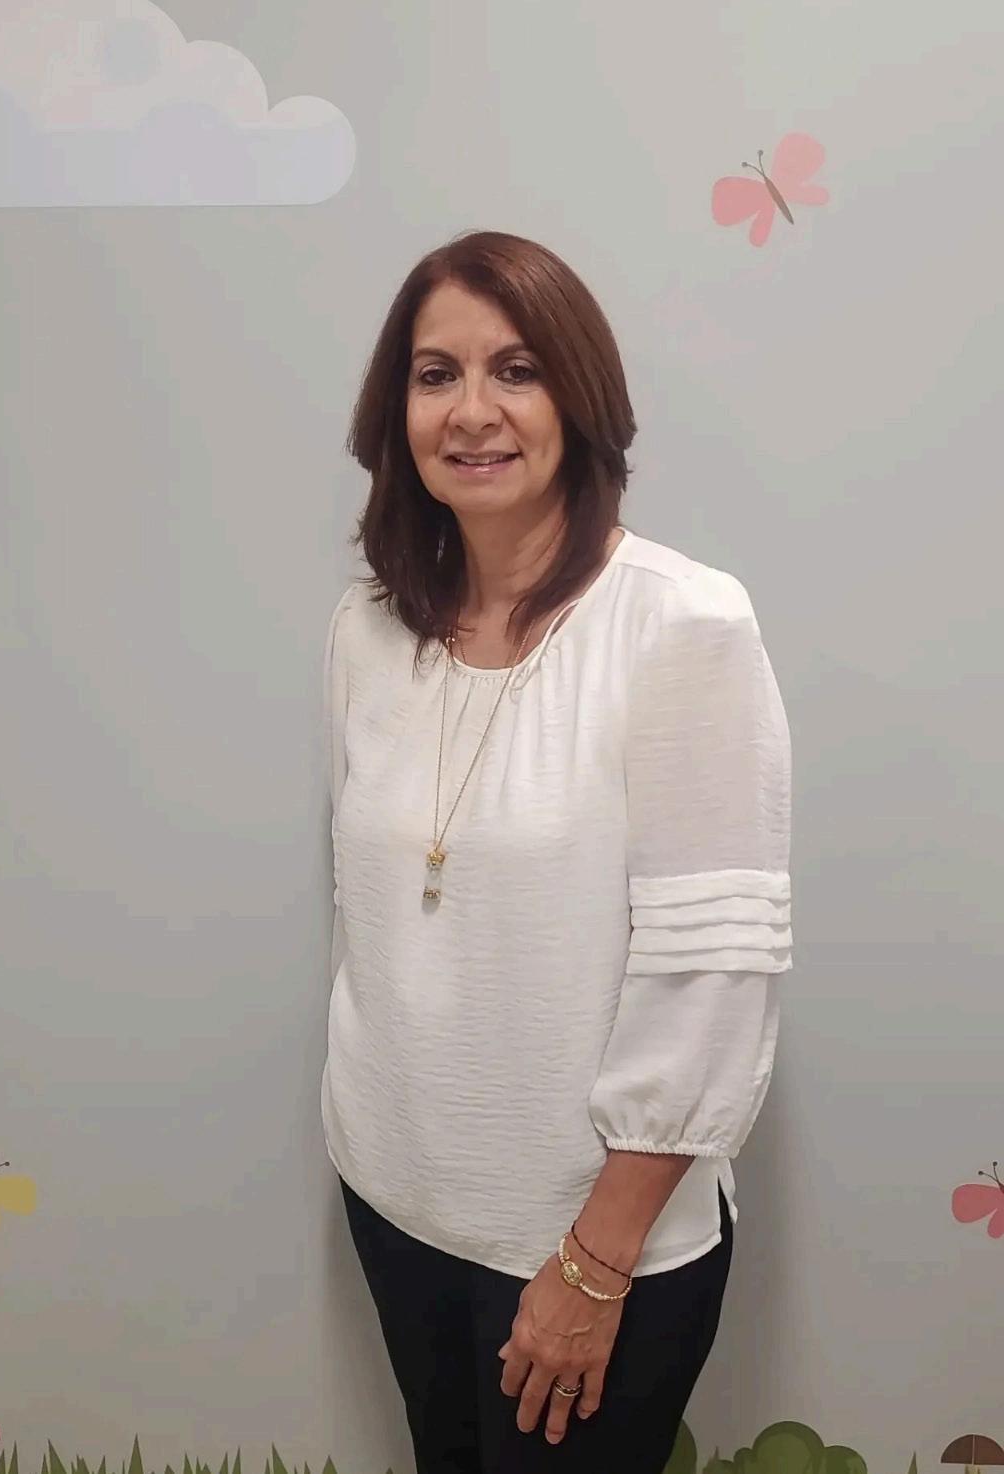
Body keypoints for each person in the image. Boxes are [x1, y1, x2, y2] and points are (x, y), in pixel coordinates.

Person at [321, 230, 793, 1473]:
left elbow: (712, 980)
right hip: (395, 1195)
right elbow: (370, 910)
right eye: (436, 374)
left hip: (587, 1247)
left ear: (579, 398)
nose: (472, 411)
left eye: (516, 369)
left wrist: (592, 1263)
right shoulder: (369, 630)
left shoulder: (681, 624)